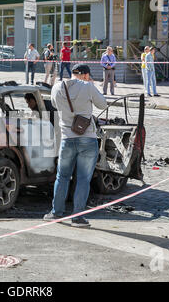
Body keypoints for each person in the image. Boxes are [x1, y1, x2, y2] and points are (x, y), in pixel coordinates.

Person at [44, 64, 107, 227]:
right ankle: (77, 217)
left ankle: (56, 213)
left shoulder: (56, 87)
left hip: (66, 138)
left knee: (62, 177)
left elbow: (54, 105)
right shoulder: (88, 87)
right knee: (83, 179)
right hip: (87, 138)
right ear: (85, 75)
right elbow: (103, 104)